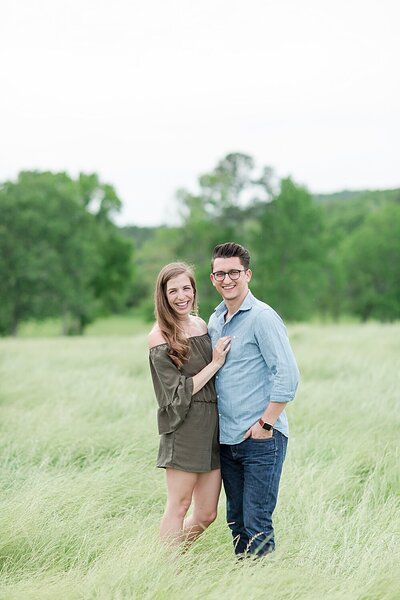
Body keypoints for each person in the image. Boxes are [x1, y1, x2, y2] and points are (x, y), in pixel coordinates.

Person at [208, 242, 300, 557]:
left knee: (257, 521)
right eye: (220, 273)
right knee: (236, 521)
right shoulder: (215, 320)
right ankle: (246, 585)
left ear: (247, 274)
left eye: (234, 272)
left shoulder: (262, 317)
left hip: (261, 439)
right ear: (212, 278)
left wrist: (265, 423)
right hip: (228, 439)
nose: (227, 279)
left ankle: (264, 587)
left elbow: (288, 375)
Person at [148, 262, 231, 545]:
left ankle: (171, 555)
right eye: (173, 291)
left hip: (212, 427)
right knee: (179, 506)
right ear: (164, 295)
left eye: (186, 288)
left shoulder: (202, 325)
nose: (181, 296)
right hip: (183, 427)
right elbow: (179, 392)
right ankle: (169, 570)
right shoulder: (158, 336)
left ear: (194, 291)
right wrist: (215, 363)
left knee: (207, 513)